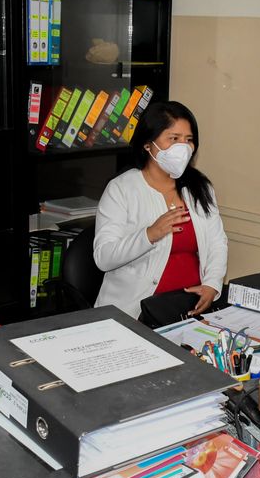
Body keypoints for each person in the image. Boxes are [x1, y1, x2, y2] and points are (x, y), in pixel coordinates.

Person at [94, 101, 227, 318]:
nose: (183, 147)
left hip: (189, 309)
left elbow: (217, 242)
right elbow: (104, 257)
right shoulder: (121, 189)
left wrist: (212, 284)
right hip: (135, 312)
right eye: (174, 139)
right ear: (148, 144)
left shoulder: (200, 187)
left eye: (188, 140)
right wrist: (150, 234)